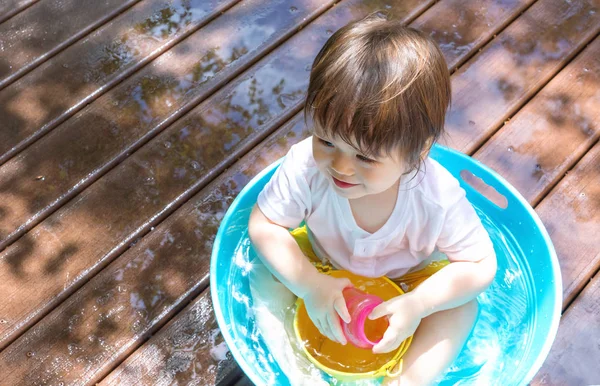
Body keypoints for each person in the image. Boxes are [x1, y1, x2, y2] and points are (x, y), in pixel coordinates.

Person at [248, 13, 497, 386]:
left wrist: (420, 303)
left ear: (417, 152)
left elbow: (479, 265)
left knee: (461, 308)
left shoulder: (437, 198)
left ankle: (404, 382)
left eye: (365, 157)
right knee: (266, 271)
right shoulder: (305, 167)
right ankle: (298, 375)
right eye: (326, 141)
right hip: (322, 266)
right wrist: (310, 284)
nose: (340, 166)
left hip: (410, 281)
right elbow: (264, 225)